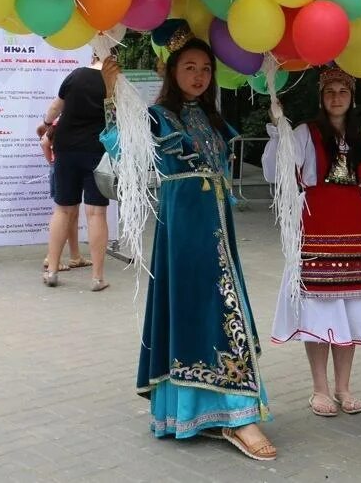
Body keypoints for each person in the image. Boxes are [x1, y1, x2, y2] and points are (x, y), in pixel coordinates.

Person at [101, 26, 276, 461]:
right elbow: (124, 149)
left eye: (205, 69)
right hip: (185, 231)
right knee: (210, 309)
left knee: (215, 308)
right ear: (170, 71)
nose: (199, 76)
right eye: (189, 68)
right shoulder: (158, 116)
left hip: (216, 228)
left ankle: (213, 410)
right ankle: (236, 415)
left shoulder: (209, 116)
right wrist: (109, 94)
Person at [262, 66, 361, 417]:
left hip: (356, 231)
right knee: (318, 310)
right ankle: (319, 388)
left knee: (350, 311)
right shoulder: (305, 132)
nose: (336, 97)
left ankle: (343, 386)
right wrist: (279, 132)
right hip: (316, 229)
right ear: (321, 97)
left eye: (342, 91)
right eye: (330, 91)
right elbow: (277, 171)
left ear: (352, 97)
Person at [40, 55, 107, 291]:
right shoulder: (114, 79)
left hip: (66, 147)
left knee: (63, 210)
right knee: (96, 213)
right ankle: (97, 278)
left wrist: (47, 124)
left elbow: (55, 108)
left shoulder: (76, 75)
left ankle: (52, 271)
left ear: (93, 56)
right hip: (97, 150)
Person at [37, 118, 89, 273]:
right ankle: (52, 259)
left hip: (66, 169)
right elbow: (45, 142)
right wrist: (52, 163)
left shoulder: (63, 120)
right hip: (65, 169)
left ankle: (75, 256)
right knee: (66, 213)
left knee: (72, 213)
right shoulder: (63, 121)